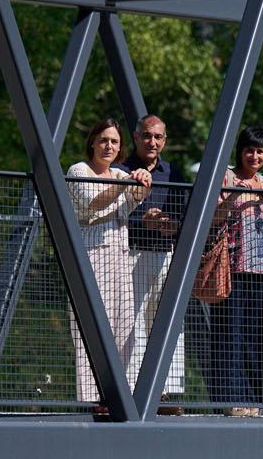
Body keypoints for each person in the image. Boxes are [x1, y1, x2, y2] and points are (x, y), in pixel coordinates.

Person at [67, 117, 150, 409]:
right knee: (91, 327)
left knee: (125, 325)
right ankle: (93, 397)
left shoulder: (119, 173)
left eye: (114, 142)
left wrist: (142, 182)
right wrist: (122, 183)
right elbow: (94, 203)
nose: (109, 146)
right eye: (103, 140)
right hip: (90, 257)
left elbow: (132, 203)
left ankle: (121, 392)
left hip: (119, 258)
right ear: (92, 141)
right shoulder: (78, 170)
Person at [119, 115, 187, 409]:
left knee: (168, 323)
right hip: (131, 254)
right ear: (136, 137)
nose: (152, 142)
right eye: (147, 136)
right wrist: (143, 220)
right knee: (132, 324)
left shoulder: (173, 173)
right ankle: (135, 389)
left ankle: (166, 393)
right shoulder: (120, 170)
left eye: (158, 137)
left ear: (164, 140)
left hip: (165, 255)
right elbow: (114, 215)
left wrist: (167, 224)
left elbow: (185, 217)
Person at [213, 126, 263, 416]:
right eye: (249, 149)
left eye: (260, 151)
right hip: (232, 267)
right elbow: (213, 218)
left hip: (262, 270)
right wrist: (234, 195)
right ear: (240, 150)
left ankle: (257, 398)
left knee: (257, 335)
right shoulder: (226, 177)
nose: (254, 156)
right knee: (230, 333)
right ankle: (230, 399)